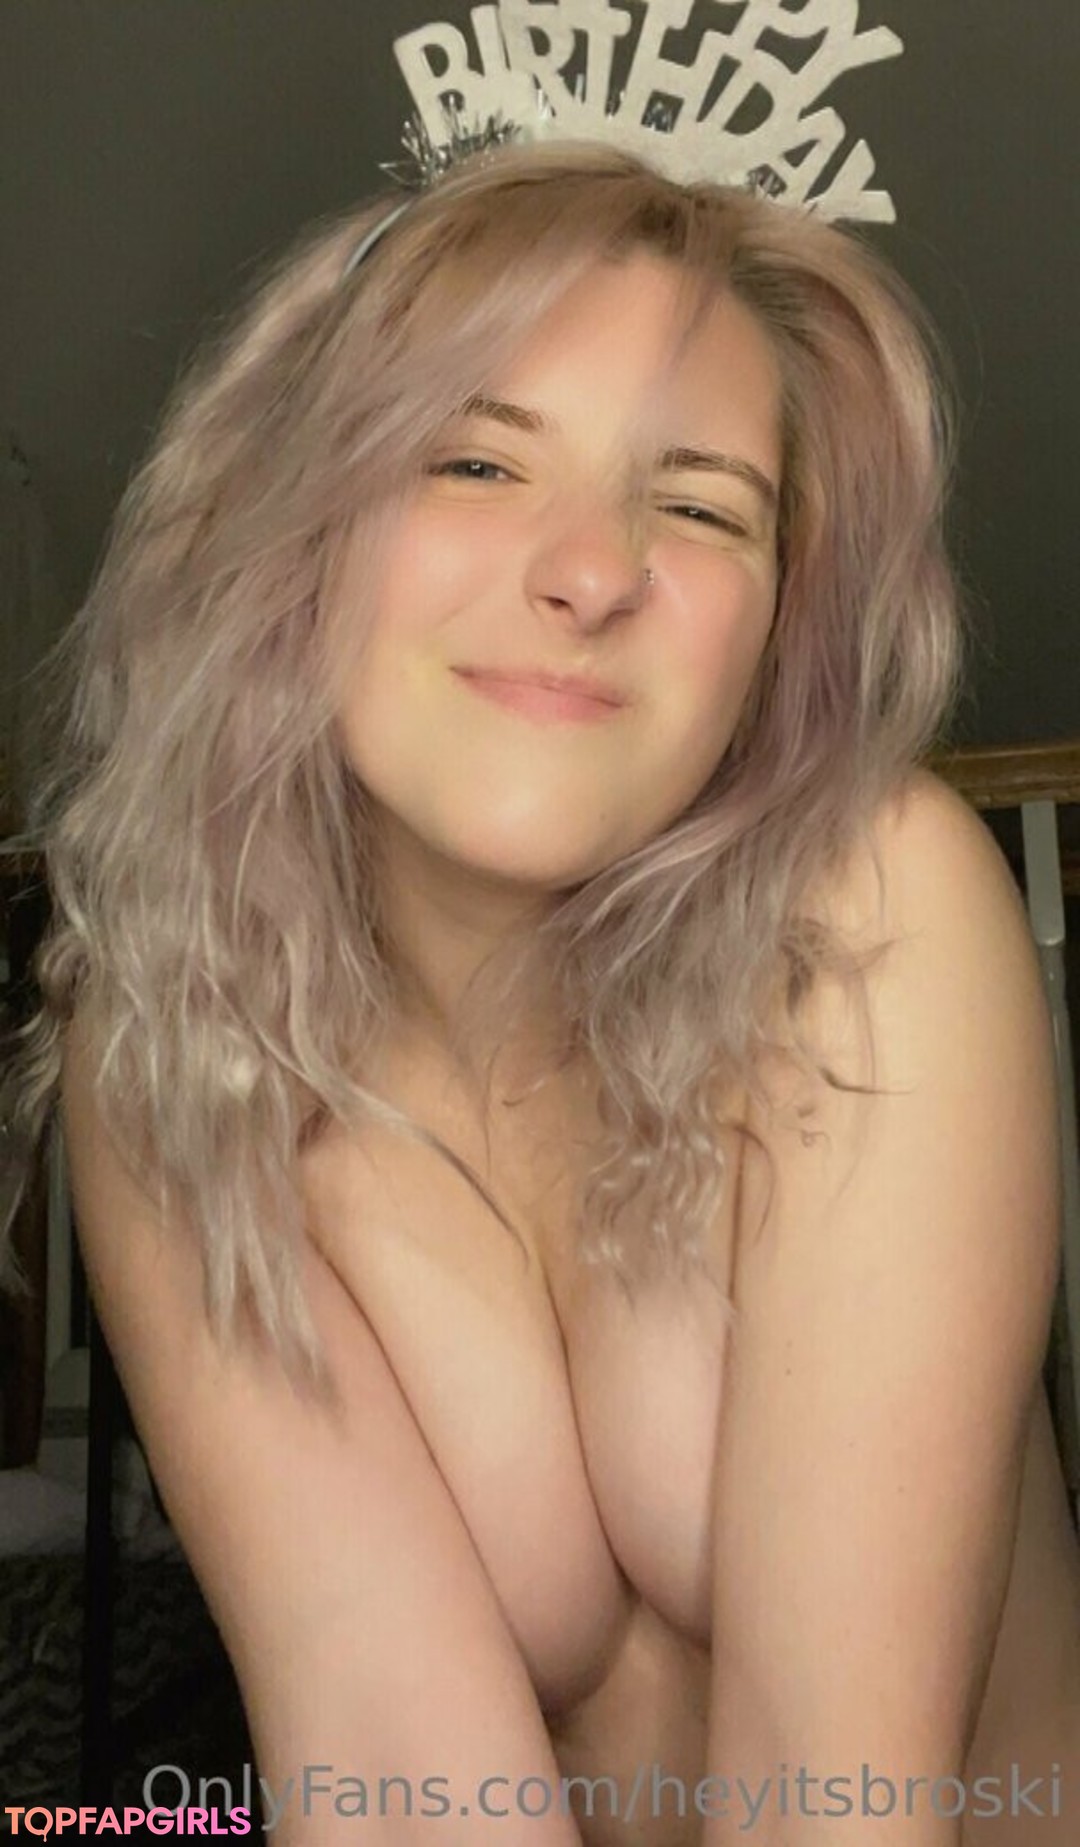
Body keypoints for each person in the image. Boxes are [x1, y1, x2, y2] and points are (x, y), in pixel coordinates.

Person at [3, 141, 1079, 1845]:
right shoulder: (175, 1042)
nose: (592, 568)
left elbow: (842, 1802)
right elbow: (386, 1768)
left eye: (703, 503)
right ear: (290, 528)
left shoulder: (872, 921)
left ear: (777, 628)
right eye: (476, 460)